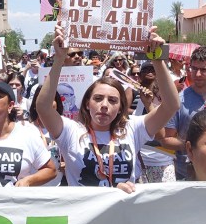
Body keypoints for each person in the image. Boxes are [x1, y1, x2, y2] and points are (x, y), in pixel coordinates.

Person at [36, 25, 179, 189]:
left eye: (112, 100)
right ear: (87, 103)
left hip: (121, 212)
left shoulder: (133, 128)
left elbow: (171, 105)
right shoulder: (71, 131)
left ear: (120, 108)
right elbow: (43, 107)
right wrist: (59, 59)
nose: (104, 105)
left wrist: (157, 59)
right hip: (83, 213)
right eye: (98, 98)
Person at [161, 46, 206, 180]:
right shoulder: (178, 100)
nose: (197, 74)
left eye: (204, 70)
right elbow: (166, 139)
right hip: (188, 175)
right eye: (194, 68)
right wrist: (195, 147)